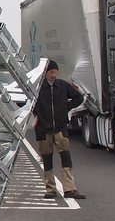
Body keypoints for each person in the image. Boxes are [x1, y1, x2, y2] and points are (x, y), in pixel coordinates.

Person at [34, 59, 87, 200]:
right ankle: (50, 189)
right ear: (45, 73)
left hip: (60, 128)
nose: (53, 75)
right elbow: (28, 101)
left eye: (55, 72)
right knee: (47, 159)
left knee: (66, 157)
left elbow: (79, 97)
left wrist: (66, 108)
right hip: (43, 129)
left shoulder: (63, 85)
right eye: (51, 72)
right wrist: (36, 114)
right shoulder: (38, 88)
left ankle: (69, 189)